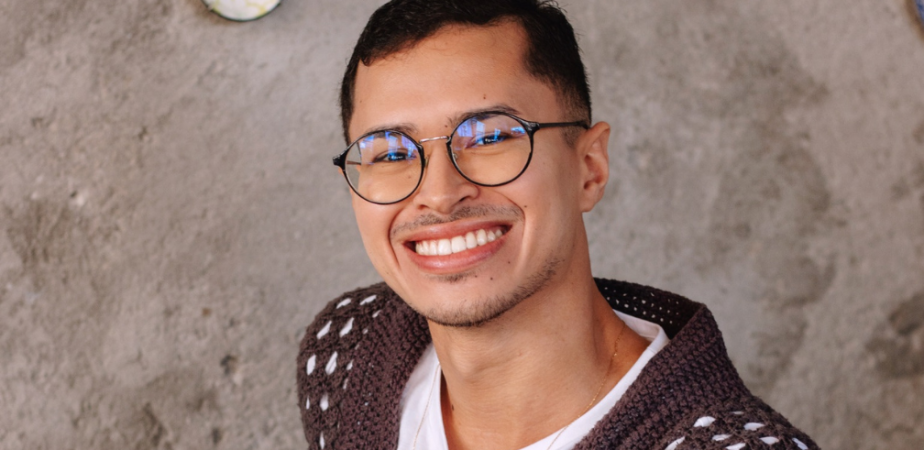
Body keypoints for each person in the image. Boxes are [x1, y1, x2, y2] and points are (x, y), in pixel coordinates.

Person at [297, 1, 819, 449]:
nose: (439, 193)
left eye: (490, 138)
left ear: (589, 168)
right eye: (390, 153)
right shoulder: (348, 350)